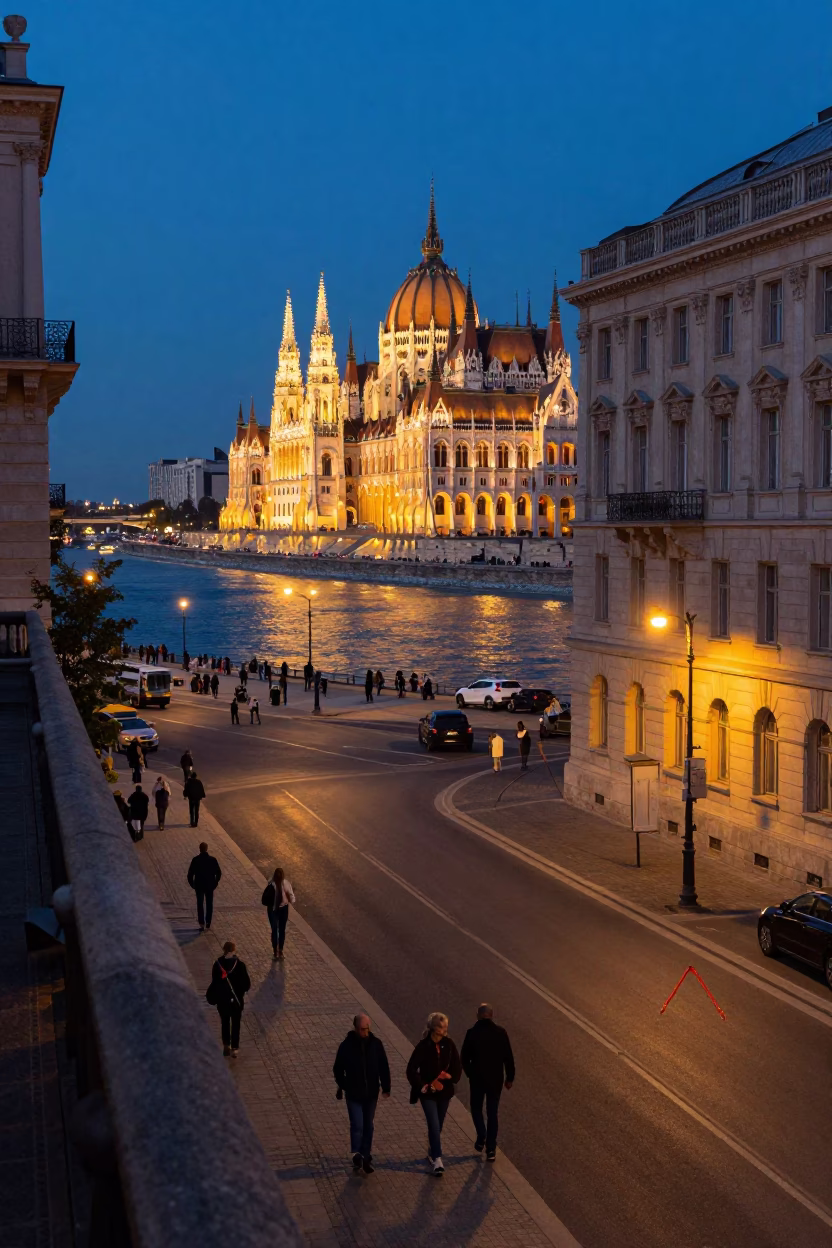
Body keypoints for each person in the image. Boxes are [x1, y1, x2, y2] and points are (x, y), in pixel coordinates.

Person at [333, 1013, 391, 1175]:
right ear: (356, 1028)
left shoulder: (376, 1044)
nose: (365, 1032)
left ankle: (365, 1155)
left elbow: (383, 1066)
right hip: (354, 1094)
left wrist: (386, 1087)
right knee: (357, 1124)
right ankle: (358, 1153)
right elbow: (338, 1068)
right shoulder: (346, 1046)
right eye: (362, 1029)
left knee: (369, 1125)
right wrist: (345, 1085)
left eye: (367, 1029)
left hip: (371, 1093)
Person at [406, 1011, 462, 1176]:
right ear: (433, 1028)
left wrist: (449, 1076)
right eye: (441, 1026)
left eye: (445, 1026)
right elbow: (411, 1070)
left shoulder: (449, 1044)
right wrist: (423, 1085)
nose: (444, 1029)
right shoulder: (423, 1046)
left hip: (444, 1092)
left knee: (439, 1125)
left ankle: (432, 1150)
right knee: (434, 1124)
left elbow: (457, 1067)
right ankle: (437, 1159)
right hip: (428, 1093)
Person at [461, 1004, 515, 1161]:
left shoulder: (472, 1033)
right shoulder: (501, 1033)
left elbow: (464, 1058)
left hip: (477, 1080)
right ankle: (491, 1150)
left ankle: (481, 1134)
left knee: (476, 1108)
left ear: (478, 1015)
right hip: (495, 1080)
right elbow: (508, 1057)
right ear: (491, 1015)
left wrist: (471, 1074)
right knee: (492, 1113)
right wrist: (509, 1078)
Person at [207, 940, 250, 1058]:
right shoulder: (240, 965)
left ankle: (226, 1044)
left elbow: (214, 982)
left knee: (225, 1022)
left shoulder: (218, 964)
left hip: (222, 1000)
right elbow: (246, 985)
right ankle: (235, 1048)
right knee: (236, 1023)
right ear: (234, 950)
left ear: (224, 950)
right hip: (236, 1000)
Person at [261, 866, 295, 960]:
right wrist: (288, 898)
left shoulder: (272, 884)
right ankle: (279, 950)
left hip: (273, 910)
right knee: (281, 930)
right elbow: (292, 899)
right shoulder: (285, 884)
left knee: (275, 930)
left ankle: (276, 951)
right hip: (282, 909)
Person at [187, 841, 222, 931]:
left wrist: (192, 884)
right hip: (210, 885)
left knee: (200, 903)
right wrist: (215, 882)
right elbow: (218, 872)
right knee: (209, 904)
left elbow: (190, 874)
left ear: (200, 849)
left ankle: (201, 922)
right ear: (206, 849)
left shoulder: (195, 860)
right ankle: (208, 922)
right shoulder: (213, 860)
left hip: (199, 885)